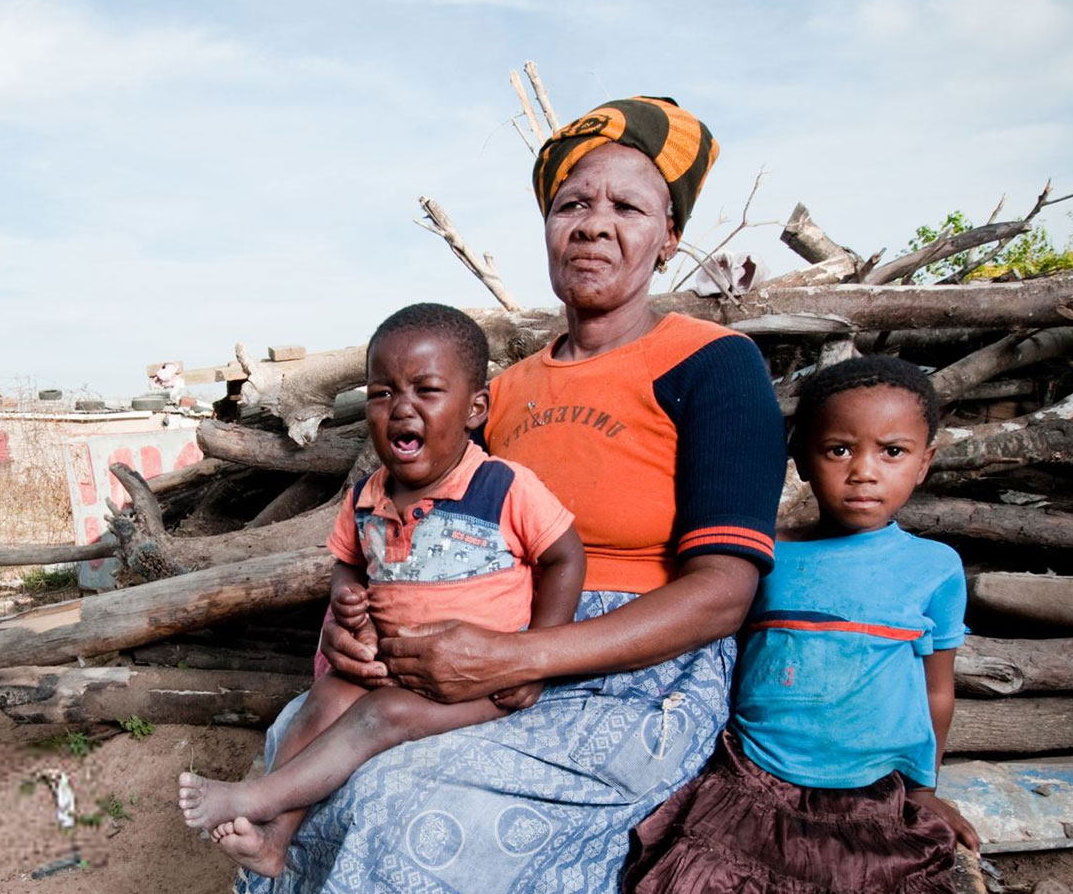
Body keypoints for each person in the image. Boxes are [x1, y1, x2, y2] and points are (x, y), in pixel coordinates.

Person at [234, 96, 788, 893]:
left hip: (639, 670)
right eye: (573, 204)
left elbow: (722, 595)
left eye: (627, 206)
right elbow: (417, 529)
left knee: (403, 798)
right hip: (480, 637)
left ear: (668, 238)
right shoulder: (502, 392)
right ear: (548, 228)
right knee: (301, 738)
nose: (595, 224)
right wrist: (353, 631)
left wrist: (520, 653)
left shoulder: (714, 365)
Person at [178, 302, 587, 876]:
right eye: (382, 392)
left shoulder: (503, 486)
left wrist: (534, 659)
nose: (402, 408)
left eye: (427, 389)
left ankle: (259, 798)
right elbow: (348, 564)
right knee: (322, 704)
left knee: (382, 715)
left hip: (480, 682)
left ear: (475, 409)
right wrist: (346, 600)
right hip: (391, 667)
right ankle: (276, 840)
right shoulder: (365, 496)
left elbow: (566, 556)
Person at [627, 355, 980, 893]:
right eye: (839, 449)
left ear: (924, 462)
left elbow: (936, 688)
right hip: (753, 779)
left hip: (871, 789)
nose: (864, 471)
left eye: (892, 452)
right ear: (803, 459)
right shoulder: (765, 553)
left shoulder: (934, 567)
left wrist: (924, 790)